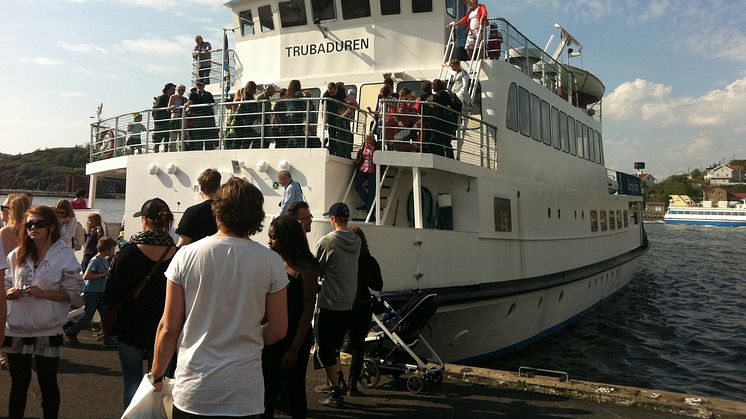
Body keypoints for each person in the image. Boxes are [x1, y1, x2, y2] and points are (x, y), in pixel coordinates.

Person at [150, 177, 287, 418]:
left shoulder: (186, 255)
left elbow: (168, 327)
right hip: (244, 391)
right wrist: (247, 336)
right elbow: (278, 329)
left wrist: (157, 374)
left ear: (217, 210)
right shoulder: (271, 262)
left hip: (195, 387)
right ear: (257, 216)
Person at [3, 205, 84, 419]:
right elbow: (4, 284)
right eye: (29, 224)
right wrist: (8, 292)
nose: (33, 228)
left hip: (49, 328)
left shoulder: (64, 255)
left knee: (48, 384)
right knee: (18, 386)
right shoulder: (16, 254)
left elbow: (75, 293)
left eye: (39, 224)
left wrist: (45, 293)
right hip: (17, 328)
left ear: (51, 227)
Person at [103, 198, 178, 408]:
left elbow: (111, 293)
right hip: (165, 328)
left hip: (130, 327)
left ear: (144, 220)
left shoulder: (127, 252)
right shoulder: (177, 254)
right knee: (161, 384)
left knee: (132, 383)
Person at [262, 215, 319, 418]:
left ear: (287, 238)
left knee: (295, 391)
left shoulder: (305, 268)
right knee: (266, 390)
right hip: (271, 334)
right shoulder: (270, 261)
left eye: (274, 237)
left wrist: (295, 348)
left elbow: (307, 310)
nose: (269, 241)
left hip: (295, 335)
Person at [314, 202, 361, 407]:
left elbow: (317, 268)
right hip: (347, 304)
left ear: (333, 219)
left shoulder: (327, 241)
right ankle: (338, 381)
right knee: (334, 346)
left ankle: (334, 391)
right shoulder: (357, 241)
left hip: (329, 302)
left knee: (324, 348)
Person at [345, 225, 383, 396]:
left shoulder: (344, 259)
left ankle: (335, 381)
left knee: (335, 343)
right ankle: (352, 384)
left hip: (344, 303)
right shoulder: (369, 259)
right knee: (359, 347)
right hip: (363, 303)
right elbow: (378, 285)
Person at [64, 236, 118, 348]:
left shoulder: (104, 260)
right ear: (107, 249)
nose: (114, 251)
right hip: (92, 292)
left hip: (100, 291)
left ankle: (108, 338)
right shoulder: (95, 260)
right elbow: (87, 276)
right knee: (88, 316)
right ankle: (72, 331)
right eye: (112, 249)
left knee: (105, 316)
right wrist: (104, 275)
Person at [175, 168, 221, 247]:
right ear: (219, 187)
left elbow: (183, 244)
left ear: (202, 188)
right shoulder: (227, 211)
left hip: (198, 257)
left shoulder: (192, 212)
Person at [185, 80, 217, 151]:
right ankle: (198, 152)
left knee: (208, 137)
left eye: (200, 85)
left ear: (204, 85)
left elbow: (212, 105)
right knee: (198, 137)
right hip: (198, 119)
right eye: (197, 85)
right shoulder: (193, 94)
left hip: (207, 119)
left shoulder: (208, 94)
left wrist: (212, 120)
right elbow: (190, 102)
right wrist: (187, 105)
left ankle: (209, 153)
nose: (199, 86)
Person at [354, 132, 378, 211]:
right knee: (357, 185)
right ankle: (368, 203)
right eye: (367, 138)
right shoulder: (363, 145)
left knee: (372, 191)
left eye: (369, 138)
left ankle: (369, 212)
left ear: (372, 138)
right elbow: (360, 155)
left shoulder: (377, 146)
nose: (367, 140)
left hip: (373, 170)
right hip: (363, 168)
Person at [153, 83, 176, 153]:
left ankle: (165, 153)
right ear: (168, 89)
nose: (174, 90)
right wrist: (157, 121)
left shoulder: (172, 98)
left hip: (168, 122)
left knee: (166, 141)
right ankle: (155, 154)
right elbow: (155, 110)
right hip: (160, 123)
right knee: (157, 141)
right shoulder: (161, 97)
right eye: (172, 89)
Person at [168, 84, 189, 151]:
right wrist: (171, 107)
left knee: (182, 136)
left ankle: (181, 150)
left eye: (182, 90)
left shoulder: (185, 99)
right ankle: (171, 151)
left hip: (182, 119)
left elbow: (187, 109)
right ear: (176, 90)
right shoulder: (173, 97)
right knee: (173, 136)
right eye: (179, 90)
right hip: (174, 118)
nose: (180, 91)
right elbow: (168, 108)